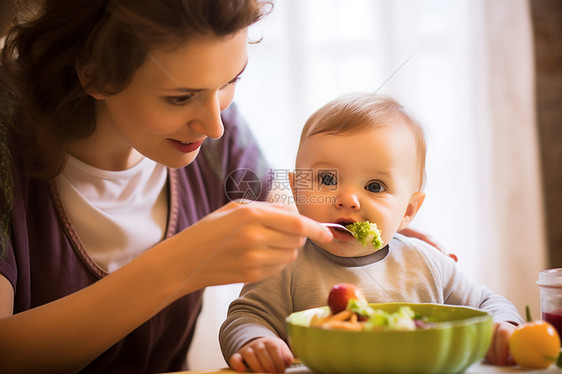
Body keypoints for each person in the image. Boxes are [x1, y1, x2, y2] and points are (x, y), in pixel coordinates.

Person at [0, 1, 335, 372]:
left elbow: (279, 198)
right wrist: (183, 264)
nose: (214, 126)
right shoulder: (7, 144)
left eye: (231, 81)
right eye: (179, 98)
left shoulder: (209, 119)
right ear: (94, 75)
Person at [219, 93, 524, 373]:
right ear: (297, 189)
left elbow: (489, 303)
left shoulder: (426, 262)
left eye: (375, 187)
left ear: (408, 211)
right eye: (327, 179)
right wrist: (255, 342)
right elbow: (245, 318)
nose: (348, 199)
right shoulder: (284, 261)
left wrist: (504, 325)